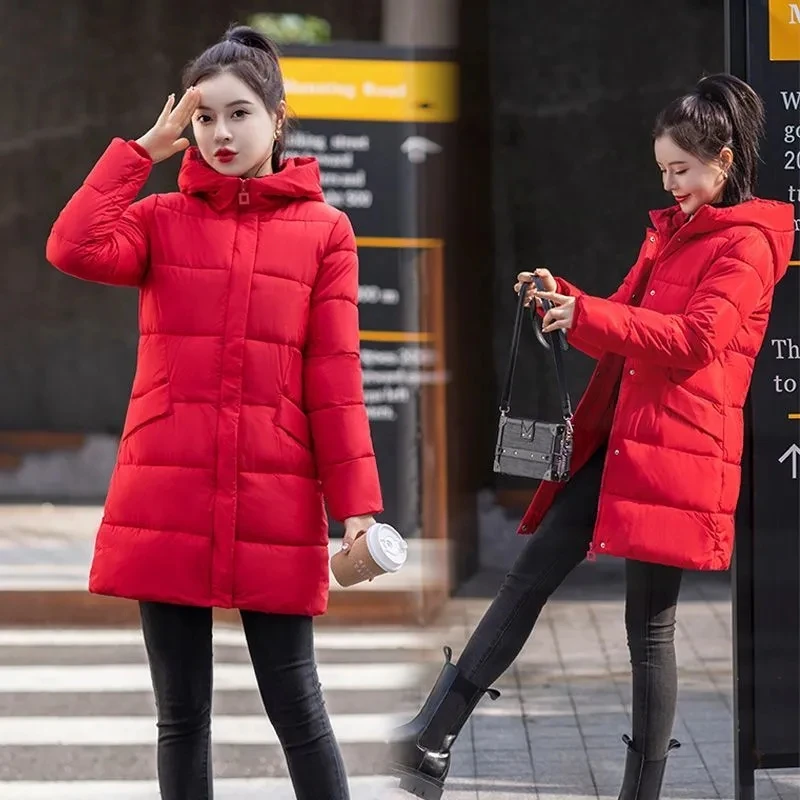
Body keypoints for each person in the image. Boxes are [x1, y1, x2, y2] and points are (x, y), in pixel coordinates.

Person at [390, 73, 794, 800]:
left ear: (723, 160)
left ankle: (628, 788)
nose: (671, 184)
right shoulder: (679, 231)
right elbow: (630, 319)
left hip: (677, 449)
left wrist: (589, 318)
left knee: (648, 629)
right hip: (625, 440)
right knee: (532, 577)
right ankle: (432, 738)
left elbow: (695, 340)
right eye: (663, 170)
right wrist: (568, 300)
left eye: (681, 170)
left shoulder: (751, 242)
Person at [45, 25, 382, 800]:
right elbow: (71, 246)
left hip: (275, 492)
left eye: (239, 114)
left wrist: (359, 510)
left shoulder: (325, 232)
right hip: (169, 491)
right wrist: (141, 152)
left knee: (298, 707)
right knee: (181, 715)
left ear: (277, 118)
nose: (220, 134)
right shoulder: (162, 218)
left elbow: (335, 379)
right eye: (205, 118)